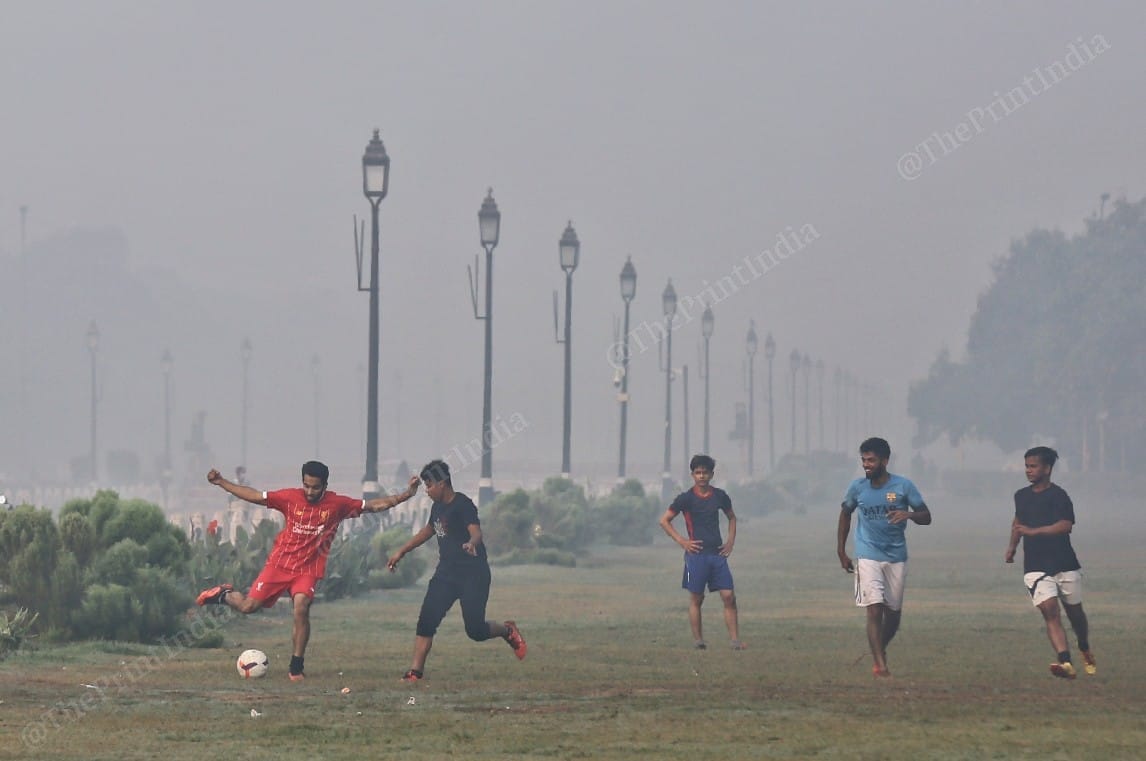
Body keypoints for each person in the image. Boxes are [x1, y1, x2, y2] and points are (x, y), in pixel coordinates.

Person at [195, 461, 420, 681]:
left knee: (301, 606)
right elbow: (254, 496)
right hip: (279, 565)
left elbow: (372, 506)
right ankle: (224, 594)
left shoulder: (337, 504)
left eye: (315, 487)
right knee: (247, 607)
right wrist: (222, 482)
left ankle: (296, 667)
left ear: (325, 485)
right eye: (306, 485)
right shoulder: (289, 498)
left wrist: (405, 495)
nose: (310, 491)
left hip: (308, 570)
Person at [386, 459, 526, 683]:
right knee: (426, 621)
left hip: (474, 574)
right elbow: (428, 531)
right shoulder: (437, 507)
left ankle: (507, 630)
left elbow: (476, 532)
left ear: (442, 483)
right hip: (446, 574)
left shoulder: (463, 504)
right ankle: (415, 673)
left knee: (475, 630)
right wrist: (401, 551)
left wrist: (472, 543)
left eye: (429, 485)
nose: (427, 491)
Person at [836, 437, 931, 678]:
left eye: (871, 460)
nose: (867, 465)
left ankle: (880, 648)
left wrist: (908, 515)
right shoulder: (857, 488)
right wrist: (841, 551)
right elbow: (845, 514)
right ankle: (880, 665)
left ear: (885, 461)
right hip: (867, 554)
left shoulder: (903, 486)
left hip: (896, 555)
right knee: (874, 609)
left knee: (893, 615)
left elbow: (926, 516)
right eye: (864, 461)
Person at [1004, 446, 1096, 679]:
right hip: (1035, 566)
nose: (1028, 470)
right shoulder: (1021, 496)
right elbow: (1018, 522)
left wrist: (1035, 532)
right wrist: (1012, 547)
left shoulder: (1059, 496)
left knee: (1075, 615)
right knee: (1050, 611)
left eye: (1033, 466)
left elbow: (1066, 525)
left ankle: (1084, 645)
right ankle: (1065, 662)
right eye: (1026, 466)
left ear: (1047, 468)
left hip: (1065, 563)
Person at [658, 454, 744, 650]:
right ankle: (698, 641)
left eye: (705, 472)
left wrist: (730, 541)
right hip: (695, 556)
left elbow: (732, 518)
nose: (702, 476)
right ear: (692, 475)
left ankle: (735, 640)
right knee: (697, 597)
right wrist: (682, 541)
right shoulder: (685, 499)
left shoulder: (720, 496)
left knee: (729, 596)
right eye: (698, 473)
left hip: (717, 554)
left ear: (712, 474)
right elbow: (664, 520)